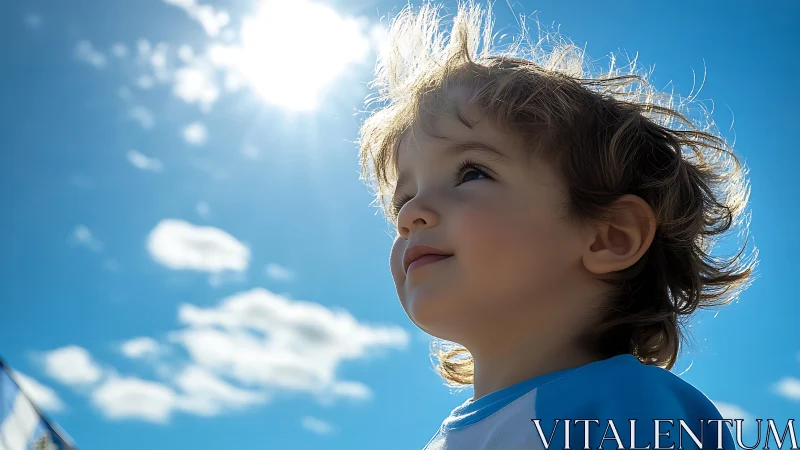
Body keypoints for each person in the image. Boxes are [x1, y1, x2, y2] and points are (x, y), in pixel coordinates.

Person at [358, 2, 757, 449]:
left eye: (472, 172)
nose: (412, 214)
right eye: (403, 199)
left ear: (610, 235)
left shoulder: (625, 407)